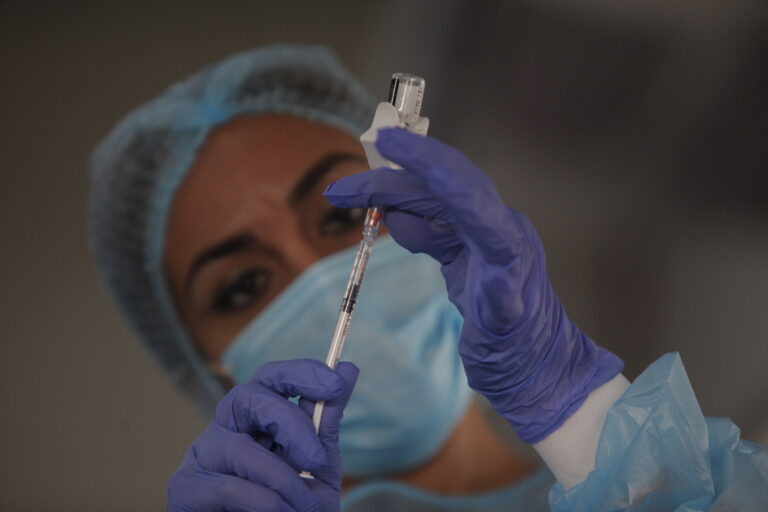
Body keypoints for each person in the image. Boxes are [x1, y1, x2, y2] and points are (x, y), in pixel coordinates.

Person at [89, 45, 768, 511]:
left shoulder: (666, 491)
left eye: (341, 219)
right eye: (243, 286)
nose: (320, 281)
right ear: (205, 362)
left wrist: (574, 410)